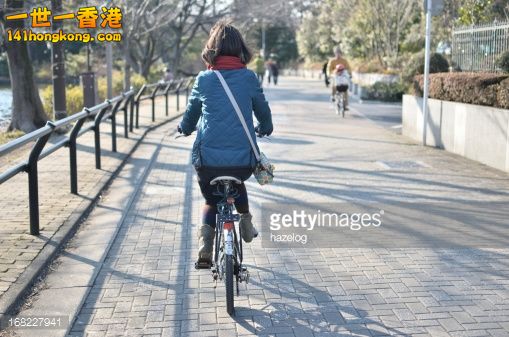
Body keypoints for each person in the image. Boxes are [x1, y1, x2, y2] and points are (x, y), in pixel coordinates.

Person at [177, 20, 274, 268]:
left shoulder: (204, 79)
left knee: (211, 200)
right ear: (240, 48)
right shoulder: (249, 77)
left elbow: (191, 114)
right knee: (237, 181)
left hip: (207, 161)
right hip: (243, 161)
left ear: (212, 49)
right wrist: (265, 128)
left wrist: (184, 129)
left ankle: (205, 245)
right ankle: (246, 221)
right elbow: (263, 110)